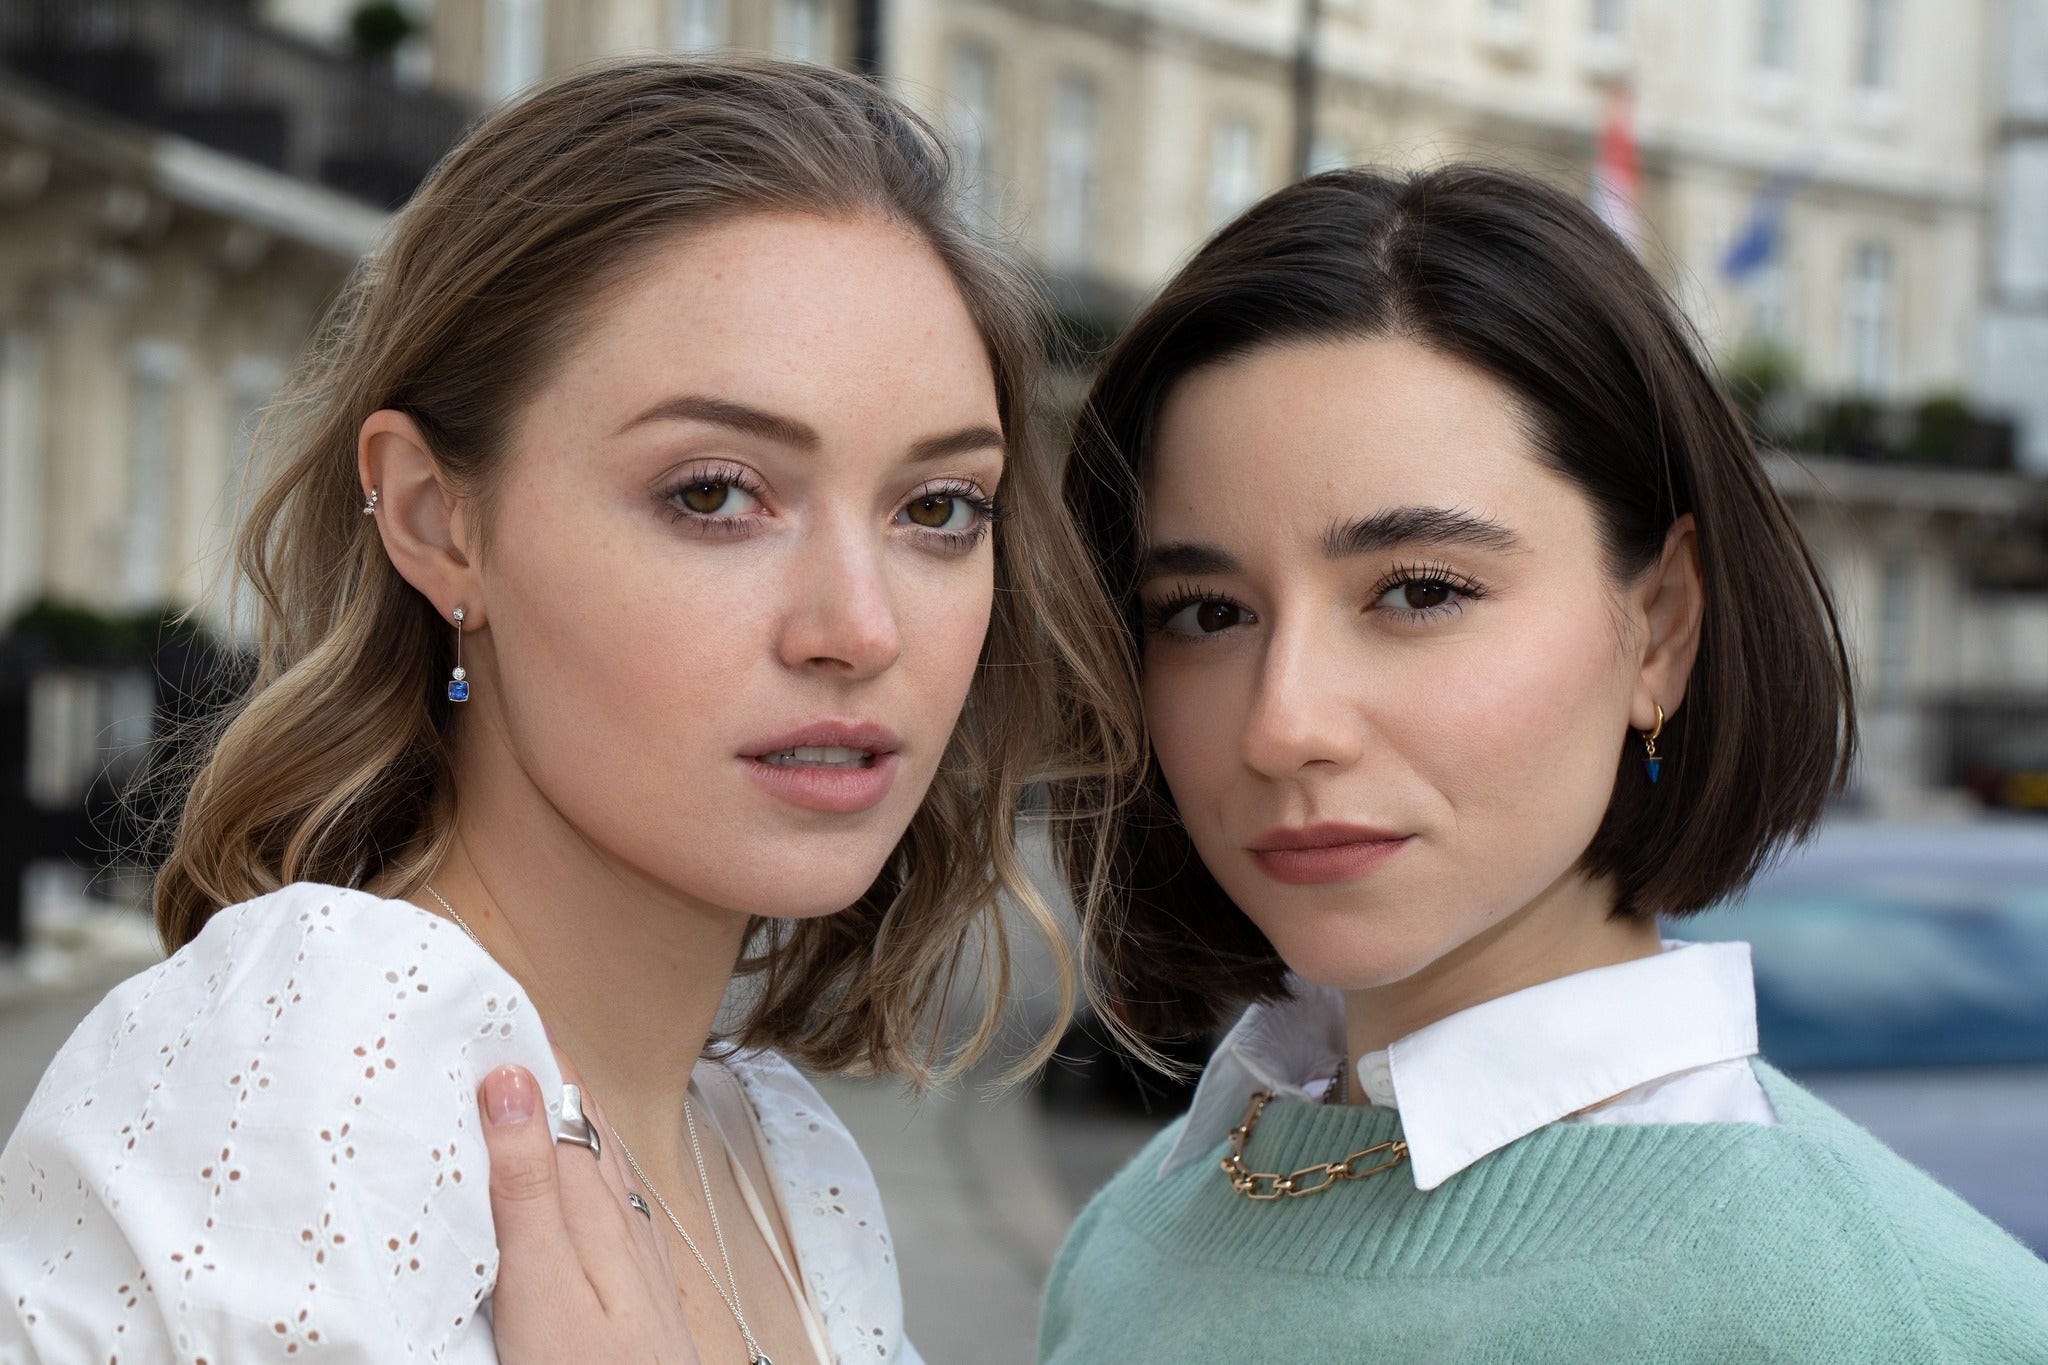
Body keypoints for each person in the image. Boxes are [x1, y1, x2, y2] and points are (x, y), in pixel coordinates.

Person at [0, 56, 1134, 1364]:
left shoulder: (786, 1165)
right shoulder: (325, 1054)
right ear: (437, 519)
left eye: (939, 508)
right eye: (714, 494)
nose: (860, 628)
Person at [1041, 165, 2048, 1361]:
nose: (1282, 723)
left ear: (1661, 626)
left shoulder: (1897, 1318)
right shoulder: (1131, 1235)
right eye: (1205, 613)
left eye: (1418, 591)